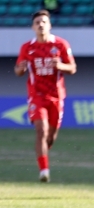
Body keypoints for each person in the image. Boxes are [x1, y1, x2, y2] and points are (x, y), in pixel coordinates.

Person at [14, 10, 77, 182]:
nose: (40, 25)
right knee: (41, 130)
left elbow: (72, 68)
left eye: (44, 22)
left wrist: (61, 66)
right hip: (36, 95)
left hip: (56, 95)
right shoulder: (27, 47)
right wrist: (21, 68)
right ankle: (44, 170)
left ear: (50, 25)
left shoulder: (61, 44)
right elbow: (18, 70)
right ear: (33, 27)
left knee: (51, 136)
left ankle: (42, 154)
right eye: (37, 23)